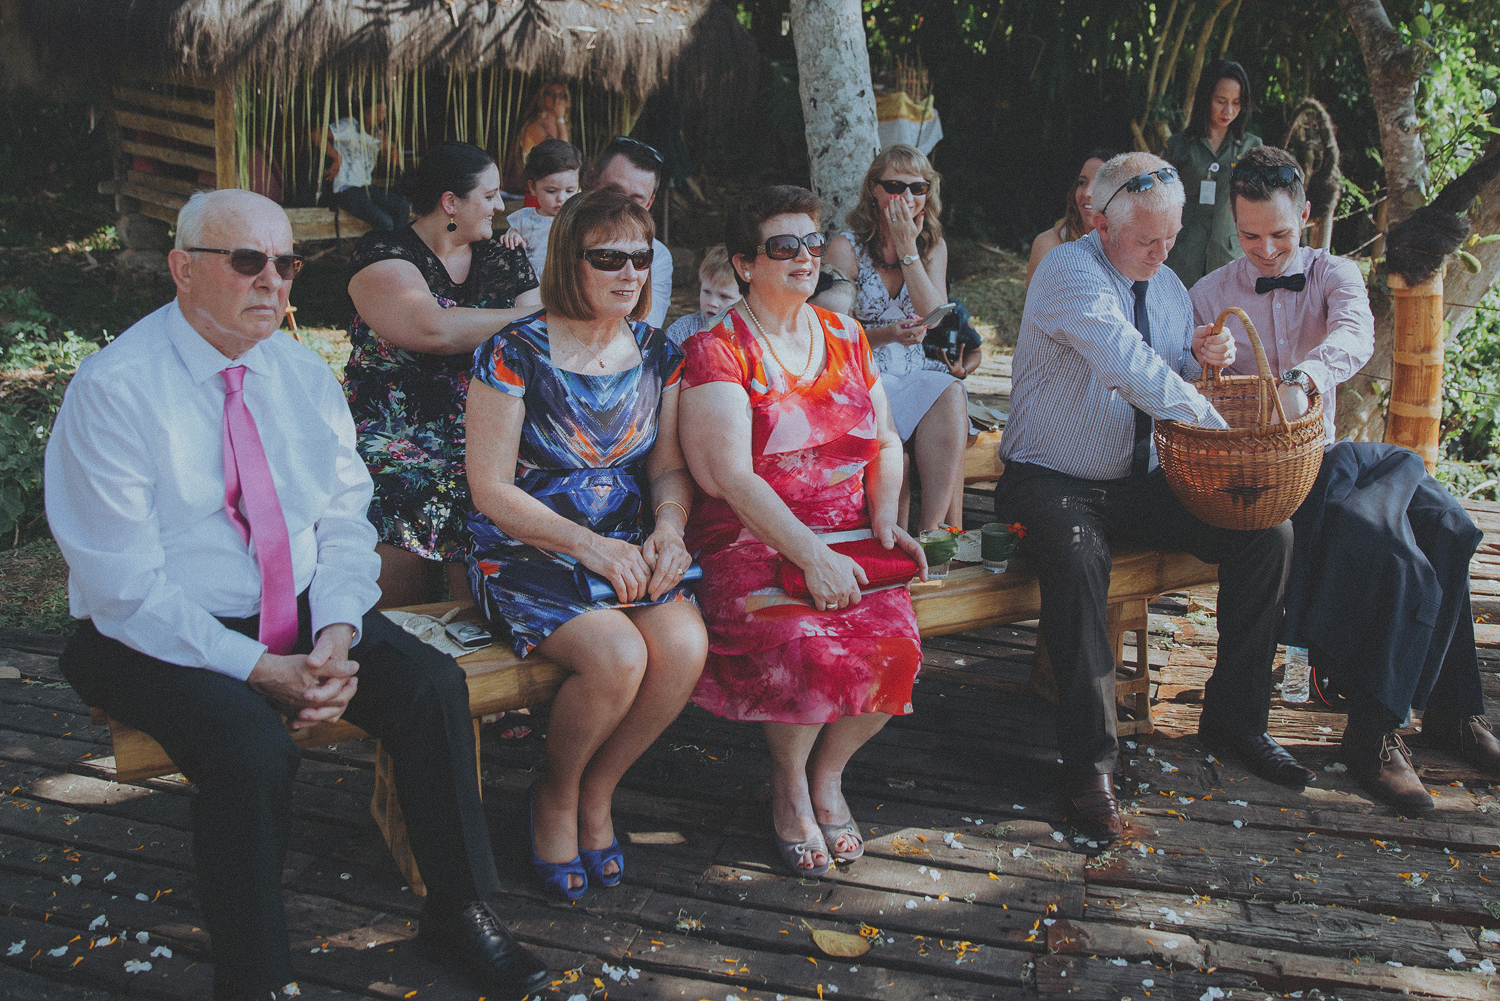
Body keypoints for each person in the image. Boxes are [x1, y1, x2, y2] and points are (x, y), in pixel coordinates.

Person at [43, 190, 550, 1001]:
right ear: (182, 267)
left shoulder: (298, 373)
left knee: (429, 686)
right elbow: (122, 586)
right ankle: (255, 976)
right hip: (148, 629)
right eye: (247, 260)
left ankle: (457, 910)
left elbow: (344, 516)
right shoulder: (117, 389)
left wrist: (341, 629)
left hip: (300, 609)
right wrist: (259, 668)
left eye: (285, 263)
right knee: (251, 748)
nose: (271, 281)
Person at [995, 152, 1304, 843]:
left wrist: (1198, 357)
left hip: (1135, 481)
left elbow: (1164, 370)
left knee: (1267, 533)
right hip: (1051, 478)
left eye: (1172, 238)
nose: (1164, 254)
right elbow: (1125, 364)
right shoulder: (1068, 271)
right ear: (1098, 221)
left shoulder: (1165, 286)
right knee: (1079, 562)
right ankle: (1089, 767)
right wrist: (1209, 413)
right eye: (1148, 241)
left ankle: (1235, 717)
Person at [1190, 146, 1500, 814]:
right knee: (1390, 549)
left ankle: (1450, 712)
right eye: (1249, 236)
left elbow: (1357, 335)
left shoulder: (1336, 274)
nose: (1266, 250)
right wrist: (1202, 354)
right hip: (1272, 483)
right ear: (1233, 224)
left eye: (1280, 233)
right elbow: (1181, 385)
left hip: (1331, 455)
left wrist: (1307, 375)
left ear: (1304, 214)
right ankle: (1374, 731)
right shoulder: (1210, 295)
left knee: (1450, 524)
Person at [465, 189, 707, 899]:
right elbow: (491, 489)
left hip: (629, 540)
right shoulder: (513, 351)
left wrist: (669, 526)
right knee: (618, 655)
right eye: (608, 257)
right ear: (569, 261)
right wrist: (588, 548)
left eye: (640, 256)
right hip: (525, 547)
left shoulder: (660, 352)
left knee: (685, 647)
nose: (629, 272)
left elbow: (666, 465)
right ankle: (556, 793)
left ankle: (600, 788)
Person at [678, 185, 927, 877]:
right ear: (744, 264)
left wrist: (884, 517)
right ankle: (789, 788)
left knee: (894, 647)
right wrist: (810, 553)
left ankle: (829, 775)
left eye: (813, 243)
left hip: (848, 535)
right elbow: (731, 475)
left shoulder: (846, 334)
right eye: (783, 246)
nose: (804, 257)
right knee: (808, 645)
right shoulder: (718, 349)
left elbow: (884, 438)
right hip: (750, 544)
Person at [343, 141, 542, 607]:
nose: (500, 206)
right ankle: (394, 638)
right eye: (490, 196)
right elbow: (432, 329)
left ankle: (480, 644)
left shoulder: (503, 258)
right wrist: (543, 317)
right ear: (451, 202)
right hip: (389, 426)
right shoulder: (383, 252)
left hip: (479, 422)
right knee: (402, 505)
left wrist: (541, 322)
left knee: (494, 504)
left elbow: (537, 348)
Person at [817, 144, 973, 532]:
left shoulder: (932, 245)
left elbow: (933, 314)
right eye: (894, 186)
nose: (906, 198)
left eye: (917, 188)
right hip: (864, 370)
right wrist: (887, 334)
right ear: (874, 189)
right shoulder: (846, 247)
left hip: (915, 368)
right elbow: (834, 335)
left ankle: (934, 532)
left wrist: (907, 250)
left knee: (950, 389)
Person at [1161, 60, 1262, 288]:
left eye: (1236, 103)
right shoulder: (1179, 146)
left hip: (1229, 254)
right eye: (1221, 101)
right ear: (1206, 98)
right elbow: (1161, 202)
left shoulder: (1251, 147)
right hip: (1183, 254)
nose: (1228, 111)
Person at [586, 135, 676, 330]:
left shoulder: (656, 257)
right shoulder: (543, 235)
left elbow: (644, 330)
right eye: (614, 193)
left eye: (635, 201)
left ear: (649, 204)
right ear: (592, 182)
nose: (622, 207)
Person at [1026, 148, 1119, 285]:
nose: (1087, 193)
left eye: (1100, 185)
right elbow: (1035, 305)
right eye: (1082, 182)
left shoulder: (1131, 251)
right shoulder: (1048, 245)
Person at [500, 137, 582, 279]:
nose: (561, 198)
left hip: (568, 288)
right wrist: (512, 237)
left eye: (569, 191)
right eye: (551, 191)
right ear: (533, 187)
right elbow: (510, 241)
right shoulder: (524, 219)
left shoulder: (580, 220)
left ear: (579, 187)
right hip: (532, 289)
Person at [326, 102, 410, 232]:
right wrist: (337, 157)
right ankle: (384, 250)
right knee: (385, 222)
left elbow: (397, 162)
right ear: (364, 109)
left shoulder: (378, 134)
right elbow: (316, 134)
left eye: (383, 111)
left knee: (403, 206)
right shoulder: (349, 126)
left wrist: (391, 147)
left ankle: (400, 248)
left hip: (365, 187)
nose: (380, 115)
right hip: (344, 189)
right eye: (376, 110)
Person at [503, 80, 571, 193]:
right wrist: (560, 117)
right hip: (537, 184)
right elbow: (562, 153)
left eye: (562, 95)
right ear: (543, 97)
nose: (557, 99)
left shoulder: (560, 125)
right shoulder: (534, 126)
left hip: (553, 181)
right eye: (552, 94)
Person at [664, 244, 739, 346]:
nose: (712, 303)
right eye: (707, 292)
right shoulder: (682, 330)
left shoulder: (751, 335)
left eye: (724, 296)